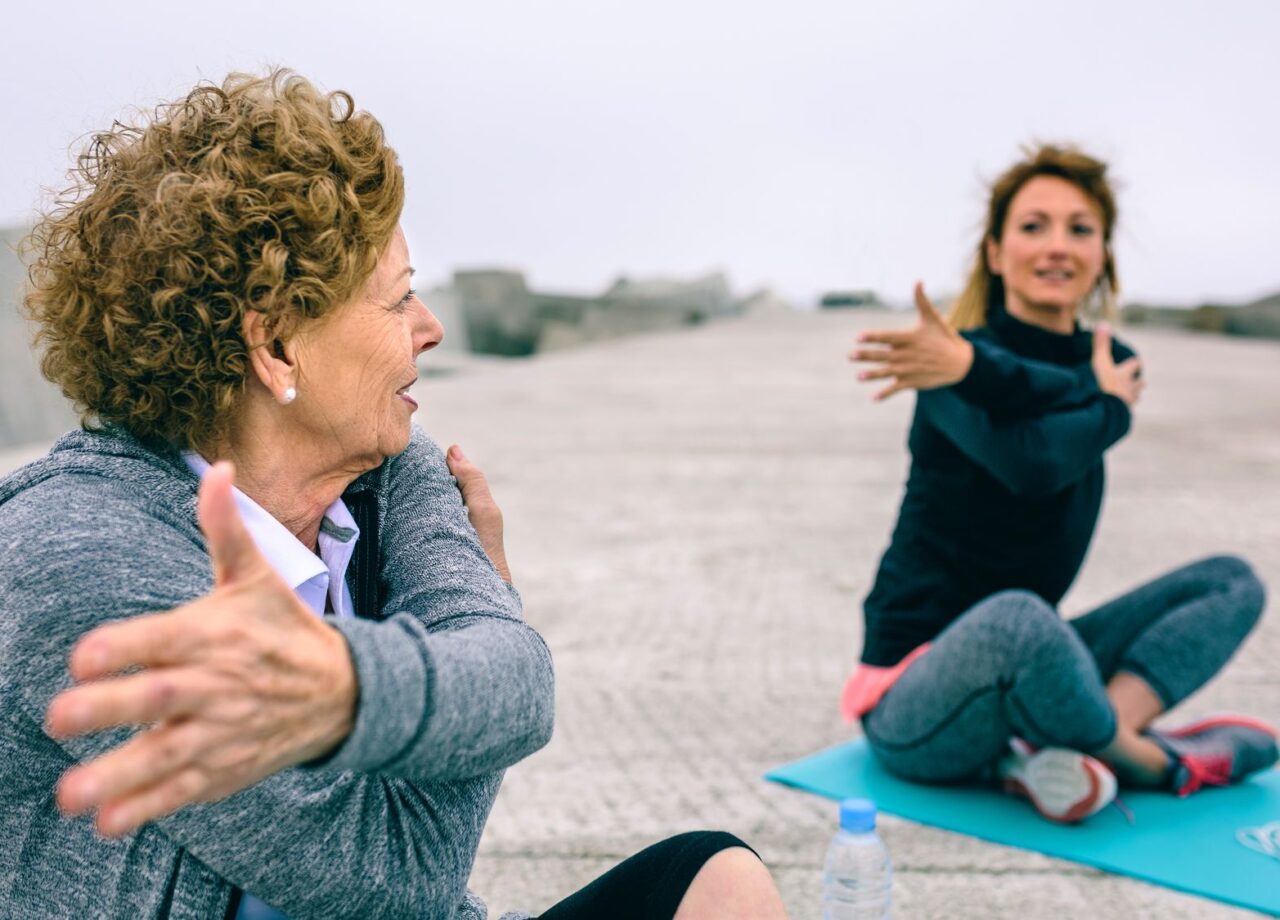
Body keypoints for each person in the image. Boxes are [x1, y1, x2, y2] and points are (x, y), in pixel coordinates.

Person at [0, 70, 788, 919]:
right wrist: (447, 659)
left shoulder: (387, 469)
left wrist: (356, 690)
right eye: (398, 298)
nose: (430, 327)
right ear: (278, 345)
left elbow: (520, 688)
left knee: (720, 881)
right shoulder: (79, 556)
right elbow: (393, 878)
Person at [843, 144, 1275, 822]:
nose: (1057, 246)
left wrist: (1088, 392)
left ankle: (1097, 739)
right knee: (1019, 618)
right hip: (916, 697)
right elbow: (1034, 465)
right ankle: (1142, 759)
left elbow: (1053, 412)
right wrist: (1107, 407)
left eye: (1080, 229)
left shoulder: (1111, 361)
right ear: (995, 252)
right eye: (1033, 226)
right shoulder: (943, 360)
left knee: (1230, 582)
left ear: (1103, 254)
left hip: (1031, 670)